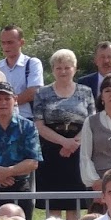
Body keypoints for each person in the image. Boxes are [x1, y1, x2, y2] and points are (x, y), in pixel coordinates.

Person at [31, 49, 95, 196]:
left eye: (67, 67)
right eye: (58, 68)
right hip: (50, 150)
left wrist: (73, 144)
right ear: (53, 70)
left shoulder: (86, 92)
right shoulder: (42, 93)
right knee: (52, 197)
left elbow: (91, 122)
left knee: (77, 198)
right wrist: (64, 142)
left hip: (78, 150)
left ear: (75, 69)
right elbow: (39, 125)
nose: (63, 71)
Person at [0, 26, 43, 118]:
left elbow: (33, 92)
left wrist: (5, 104)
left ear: (21, 42)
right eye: (3, 43)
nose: (6, 46)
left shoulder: (32, 63)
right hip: (2, 119)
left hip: (26, 118)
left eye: (10, 42)